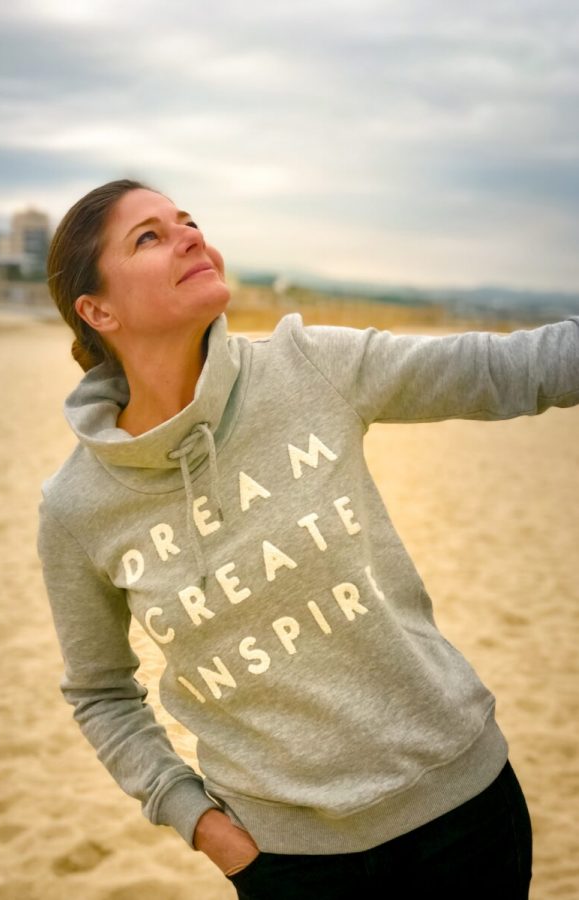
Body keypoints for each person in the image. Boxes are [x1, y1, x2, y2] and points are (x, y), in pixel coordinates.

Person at [38, 178, 579, 900]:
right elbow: (101, 692)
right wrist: (203, 825)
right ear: (96, 309)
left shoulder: (309, 366)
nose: (191, 236)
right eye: (149, 237)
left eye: (188, 221)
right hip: (289, 863)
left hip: (463, 814)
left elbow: (510, 371)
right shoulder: (77, 506)